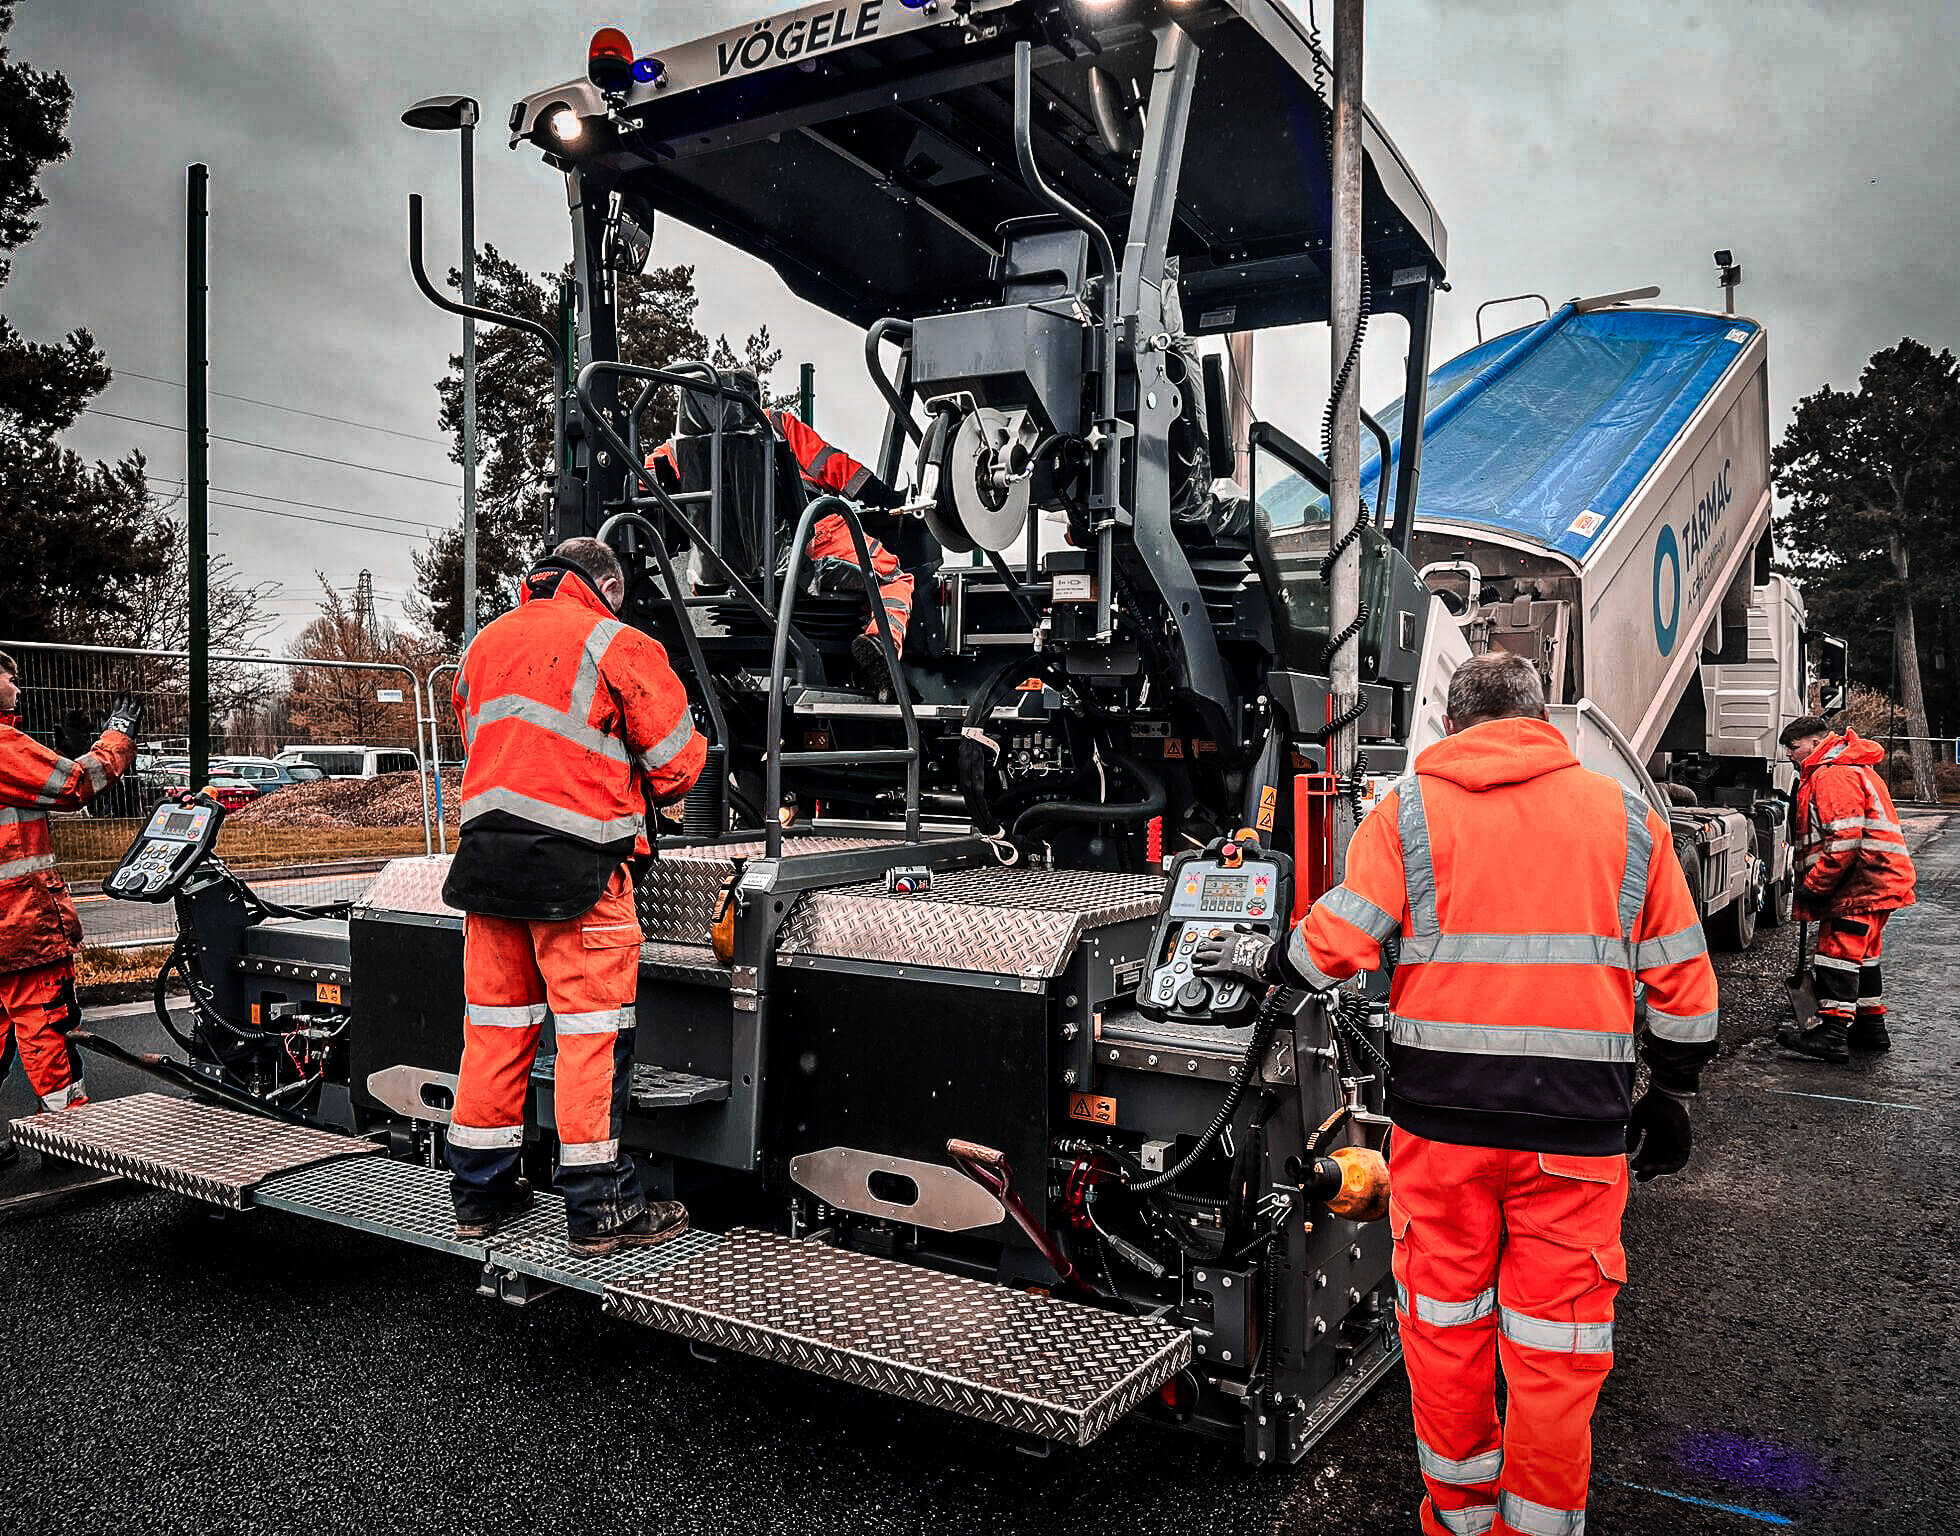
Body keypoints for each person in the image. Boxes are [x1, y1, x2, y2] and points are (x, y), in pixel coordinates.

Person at [1196, 651, 1719, 1536]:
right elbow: (1683, 985)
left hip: (1441, 1136)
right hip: (1576, 1138)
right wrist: (1670, 1094)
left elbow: (1343, 936)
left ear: (1451, 724)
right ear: (1541, 720)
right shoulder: (1629, 819)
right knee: (1557, 1347)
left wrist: (1266, 973)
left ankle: (1462, 1518)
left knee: (1444, 1330)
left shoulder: (1406, 811)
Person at [442, 538, 707, 1255]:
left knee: (494, 1033)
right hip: (579, 876)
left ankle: (481, 1195)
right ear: (608, 586)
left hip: (487, 869)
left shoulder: (482, 646)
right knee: (591, 1040)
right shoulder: (616, 642)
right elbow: (679, 765)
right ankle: (601, 1209)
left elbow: (493, 747)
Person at [646, 369, 914, 696]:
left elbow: (647, 489)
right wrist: (891, 500)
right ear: (751, 395)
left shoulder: (674, 451)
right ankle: (878, 650)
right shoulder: (778, 427)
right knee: (893, 577)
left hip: (719, 573)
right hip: (807, 551)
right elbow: (841, 471)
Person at [0, 650, 142, 1169]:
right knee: (45, 1023)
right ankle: (69, 1136)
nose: (18, 686)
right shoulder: (2, 747)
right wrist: (117, 738)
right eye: (9, 677)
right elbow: (78, 785)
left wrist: (56, 750)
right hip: (18, 925)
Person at [1775, 715, 1915, 1063]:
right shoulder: (1851, 767)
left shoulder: (1833, 774)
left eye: (1793, 748)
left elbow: (1844, 841)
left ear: (1814, 742)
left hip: (1860, 883)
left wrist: (1815, 885)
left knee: (1836, 954)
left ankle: (1832, 1034)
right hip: (1877, 880)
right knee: (1863, 956)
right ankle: (1870, 1027)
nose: (1791, 756)